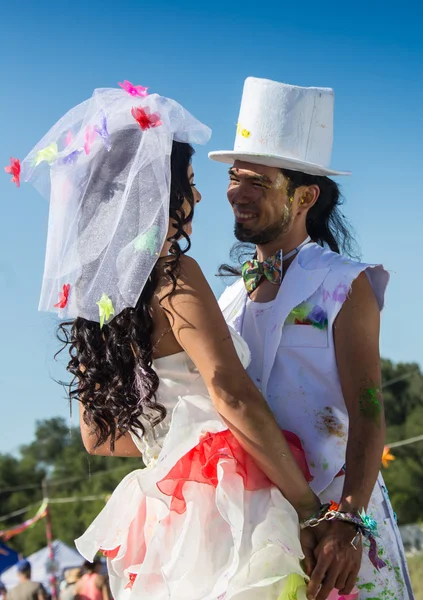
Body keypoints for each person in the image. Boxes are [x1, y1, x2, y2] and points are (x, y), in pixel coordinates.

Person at [12, 82, 344, 599]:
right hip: (229, 499)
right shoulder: (174, 276)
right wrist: (307, 507)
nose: (199, 195)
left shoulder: (94, 308)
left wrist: (169, 445)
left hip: (165, 514)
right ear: (157, 197)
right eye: (188, 183)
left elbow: (97, 437)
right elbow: (230, 392)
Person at [210, 76, 414, 600]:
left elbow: (368, 410)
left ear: (306, 195)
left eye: (258, 181)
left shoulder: (345, 283)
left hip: (341, 535)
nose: (237, 192)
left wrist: (349, 524)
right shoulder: (226, 302)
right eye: (235, 177)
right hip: (261, 539)